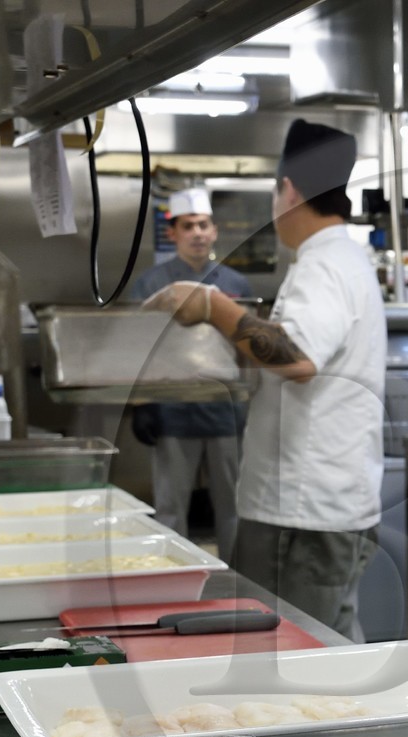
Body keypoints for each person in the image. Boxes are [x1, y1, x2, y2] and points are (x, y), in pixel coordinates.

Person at [144, 120, 385, 641]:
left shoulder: (324, 264)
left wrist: (213, 305)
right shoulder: (344, 258)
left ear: (289, 190)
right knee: (329, 646)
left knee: (297, 653)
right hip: (322, 504)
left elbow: (296, 356)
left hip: (302, 512)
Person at [128, 188, 254, 555]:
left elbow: (245, 351)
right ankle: (175, 575)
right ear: (173, 233)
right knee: (171, 508)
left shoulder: (235, 285)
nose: (197, 233)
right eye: (188, 226)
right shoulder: (152, 285)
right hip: (172, 410)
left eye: (203, 225)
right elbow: (138, 349)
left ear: (214, 231)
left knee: (233, 507)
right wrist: (141, 405)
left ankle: (237, 579)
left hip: (225, 411)